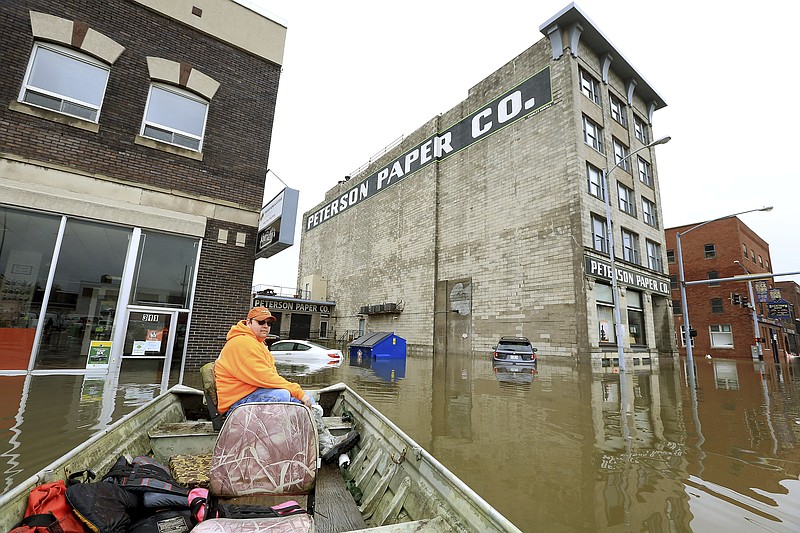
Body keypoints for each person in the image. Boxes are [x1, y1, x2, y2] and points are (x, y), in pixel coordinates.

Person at [215, 307, 358, 462]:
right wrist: (297, 392)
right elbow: (266, 377)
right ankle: (322, 445)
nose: (266, 326)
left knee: (303, 396)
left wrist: (299, 394)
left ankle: (323, 443)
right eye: (261, 322)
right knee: (284, 395)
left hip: (250, 393)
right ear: (248, 322)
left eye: (269, 323)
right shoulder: (242, 343)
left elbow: (269, 377)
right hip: (236, 404)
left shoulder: (256, 343)